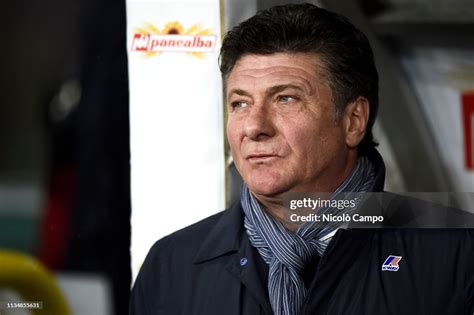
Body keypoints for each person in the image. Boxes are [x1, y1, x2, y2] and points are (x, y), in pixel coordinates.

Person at [129, 3, 474, 314]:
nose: (254, 127)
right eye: (240, 103)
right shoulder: (172, 263)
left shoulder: (459, 252)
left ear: (353, 121)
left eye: (286, 99)